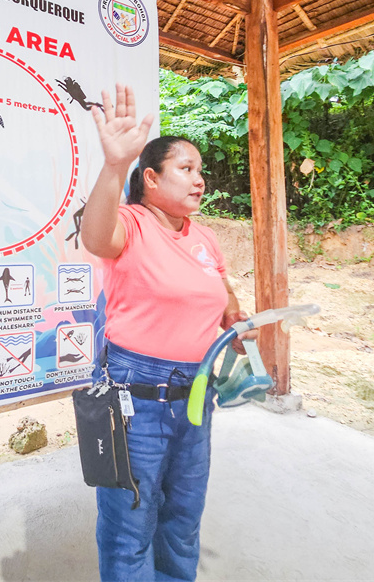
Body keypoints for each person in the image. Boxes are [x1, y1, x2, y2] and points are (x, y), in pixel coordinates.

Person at [80, 83, 255, 582]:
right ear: (151, 179)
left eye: (201, 171)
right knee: (130, 524)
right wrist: (115, 166)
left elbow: (223, 295)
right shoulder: (131, 225)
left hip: (197, 398)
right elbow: (95, 236)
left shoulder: (204, 238)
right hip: (137, 400)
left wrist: (237, 324)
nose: (199, 180)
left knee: (182, 521)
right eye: (186, 169)